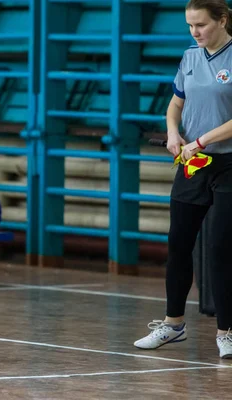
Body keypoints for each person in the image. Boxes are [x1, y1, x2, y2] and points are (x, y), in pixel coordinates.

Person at [134, 0, 232, 359]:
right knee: (178, 245)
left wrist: (201, 140)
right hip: (193, 164)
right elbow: (176, 103)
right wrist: (173, 133)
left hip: (228, 164)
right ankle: (173, 324)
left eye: (201, 25)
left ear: (222, 20)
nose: (195, 32)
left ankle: (227, 331)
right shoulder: (190, 57)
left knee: (222, 248)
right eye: (190, 25)